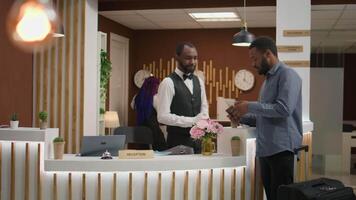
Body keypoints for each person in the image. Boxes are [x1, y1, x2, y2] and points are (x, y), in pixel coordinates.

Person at [228, 36, 302, 200]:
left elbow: (283, 109)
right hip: (266, 150)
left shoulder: (288, 75)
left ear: (268, 54)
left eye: (255, 58)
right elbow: (264, 115)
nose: (252, 64)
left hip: (282, 150)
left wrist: (249, 106)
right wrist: (241, 116)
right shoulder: (268, 80)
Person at [157, 42, 209, 153]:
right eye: (188, 58)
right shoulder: (168, 82)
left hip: (199, 142)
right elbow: (162, 116)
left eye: (195, 58)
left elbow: (204, 108)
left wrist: (204, 122)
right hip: (177, 143)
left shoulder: (199, 81)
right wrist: (191, 121)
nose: (193, 62)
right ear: (177, 57)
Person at [133, 76, 167, 151]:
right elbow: (161, 113)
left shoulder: (136, 97)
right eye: (158, 85)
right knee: (161, 151)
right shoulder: (155, 97)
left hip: (140, 129)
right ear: (155, 86)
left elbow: (133, 107)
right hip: (153, 129)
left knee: (143, 154)